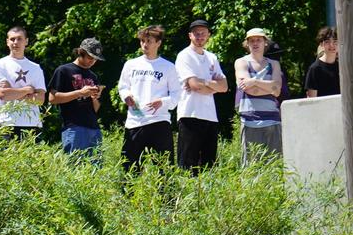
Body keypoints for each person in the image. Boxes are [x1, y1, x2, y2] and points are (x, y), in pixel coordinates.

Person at [118, 25, 181, 172]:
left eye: (149, 41)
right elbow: (123, 86)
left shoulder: (168, 67)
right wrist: (126, 96)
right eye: (142, 41)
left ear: (158, 43)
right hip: (135, 121)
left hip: (159, 121)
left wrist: (162, 102)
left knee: (164, 168)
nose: (145, 44)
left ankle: (166, 195)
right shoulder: (131, 64)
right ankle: (130, 195)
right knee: (130, 167)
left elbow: (176, 95)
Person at [174, 19, 226, 171]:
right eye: (196, 33)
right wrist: (212, 85)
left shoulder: (212, 57)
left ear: (209, 35)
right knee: (188, 165)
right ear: (190, 35)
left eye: (203, 33)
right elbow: (194, 85)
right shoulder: (184, 56)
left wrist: (206, 84)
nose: (200, 36)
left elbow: (224, 86)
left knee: (208, 165)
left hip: (210, 116)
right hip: (190, 114)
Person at [48, 38, 106, 155]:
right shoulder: (63, 70)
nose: (93, 61)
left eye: (96, 59)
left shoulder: (93, 75)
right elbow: (52, 98)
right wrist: (80, 93)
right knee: (75, 168)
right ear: (81, 52)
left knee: (96, 169)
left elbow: (95, 109)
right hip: (73, 127)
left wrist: (95, 97)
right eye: (90, 57)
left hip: (94, 128)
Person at [234, 28, 284, 162]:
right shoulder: (241, 62)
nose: (255, 43)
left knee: (274, 166)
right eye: (252, 40)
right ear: (247, 44)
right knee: (251, 167)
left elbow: (277, 90)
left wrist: (254, 81)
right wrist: (269, 86)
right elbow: (249, 90)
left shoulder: (274, 64)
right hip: (250, 121)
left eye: (259, 40)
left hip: (273, 120)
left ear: (265, 43)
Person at [0, 26, 46, 139]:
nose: (15, 42)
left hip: (31, 124)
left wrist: (13, 91)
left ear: (26, 41)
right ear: (7, 42)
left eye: (19, 39)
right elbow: (3, 94)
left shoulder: (35, 68)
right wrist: (27, 90)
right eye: (12, 39)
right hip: (6, 123)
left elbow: (40, 100)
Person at [307, 27, 342, 98]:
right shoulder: (314, 69)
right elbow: (312, 100)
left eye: (335, 41)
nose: (331, 45)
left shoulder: (342, 67)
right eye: (327, 42)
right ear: (321, 44)